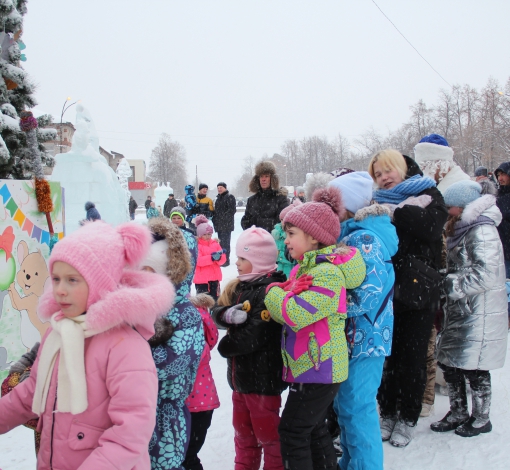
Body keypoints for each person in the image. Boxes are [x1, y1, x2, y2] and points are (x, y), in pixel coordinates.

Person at [0, 221, 176, 468]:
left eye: (72, 280)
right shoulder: (59, 331)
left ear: (100, 284)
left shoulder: (125, 346)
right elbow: (31, 392)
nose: (59, 290)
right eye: (56, 279)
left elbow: (130, 434)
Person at [265, 186, 366, 470]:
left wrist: (272, 291)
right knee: (313, 429)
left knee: (293, 431)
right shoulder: (304, 270)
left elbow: (294, 313)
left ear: (314, 237)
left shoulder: (328, 275)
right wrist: (284, 294)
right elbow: (286, 307)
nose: (286, 241)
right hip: (307, 365)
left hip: (320, 368)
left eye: (291, 234)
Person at [369, 149, 447, 447]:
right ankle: (387, 411)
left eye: (388, 170)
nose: (383, 177)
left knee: (412, 359)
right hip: (385, 290)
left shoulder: (428, 194)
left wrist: (395, 211)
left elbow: (429, 227)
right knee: (386, 356)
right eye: (377, 174)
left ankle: (408, 416)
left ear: (402, 168)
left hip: (419, 291)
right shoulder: (376, 202)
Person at [327, 171, 398, 470]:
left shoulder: (365, 238)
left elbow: (369, 294)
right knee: (347, 409)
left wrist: (328, 306)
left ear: (350, 203)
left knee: (359, 409)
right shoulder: (351, 233)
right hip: (356, 338)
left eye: (336, 201)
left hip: (367, 339)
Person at [431, 180, 507, 437]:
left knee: (475, 366)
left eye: (449, 206)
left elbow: (486, 274)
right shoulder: (462, 227)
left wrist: (449, 284)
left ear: (462, 206)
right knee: (450, 362)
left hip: (478, 311)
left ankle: (481, 418)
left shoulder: (482, 230)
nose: (446, 211)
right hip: (461, 308)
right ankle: (459, 411)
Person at [212, 226, 287, 470]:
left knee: (269, 438)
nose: (237, 263)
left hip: (263, 383)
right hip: (241, 382)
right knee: (243, 435)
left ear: (258, 261)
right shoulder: (240, 286)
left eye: (243, 259)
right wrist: (225, 315)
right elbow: (217, 310)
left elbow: (255, 336)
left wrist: (225, 345)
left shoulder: (269, 291)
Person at [142, 217, 205, 470]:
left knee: (164, 464)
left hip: (165, 419)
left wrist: (122, 362)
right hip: (134, 411)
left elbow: (168, 365)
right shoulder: (142, 309)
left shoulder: (186, 315)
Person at [183, 294, 220, 470]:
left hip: (192, 405)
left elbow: (197, 352)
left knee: (185, 456)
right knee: (187, 456)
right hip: (201, 403)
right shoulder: (196, 315)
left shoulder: (188, 316)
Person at [241, 161, 289, 233]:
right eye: (261, 176)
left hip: (273, 241)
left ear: (272, 178)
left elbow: (281, 222)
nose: (263, 179)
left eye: (266, 176)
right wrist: (253, 229)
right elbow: (245, 221)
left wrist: (258, 224)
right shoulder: (251, 200)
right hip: (255, 240)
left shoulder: (281, 198)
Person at [193, 215, 225, 301]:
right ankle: (203, 314)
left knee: (216, 300)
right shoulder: (197, 246)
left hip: (215, 278)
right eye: (205, 234)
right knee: (203, 302)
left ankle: (214, 314)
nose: (207, 236)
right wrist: (212, 258)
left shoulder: (215, 244)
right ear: (200, 235)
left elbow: (223, 259)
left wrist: (219, 258)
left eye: (209, 234)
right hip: (202, 280)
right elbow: (199, 261)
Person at [271, 199, 301, 278]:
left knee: (290, 277)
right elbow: (276, 246)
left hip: (290, 262)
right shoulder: (277, 233)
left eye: (284, 219)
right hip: (280, 261)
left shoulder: (292, 235)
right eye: (281, 219)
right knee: (279, 277)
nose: (282, 222)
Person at [212, 182, 237, 267]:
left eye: (221, 187)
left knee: (225, 243)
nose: (219, 189)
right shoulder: (218, 198)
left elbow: (232, 211)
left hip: (226, 225)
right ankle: (221, 259)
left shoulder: (230, 197)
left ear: (225, 188)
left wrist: (222, 218)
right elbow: (216, 211)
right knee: (220, 243)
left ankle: (226, 260)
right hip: (219, 225)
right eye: (218, 188)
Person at [495, 162, 510, 278]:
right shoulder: (498, 195)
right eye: (498, 175)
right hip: (501, 251)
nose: (500, 178)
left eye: (503, 174)